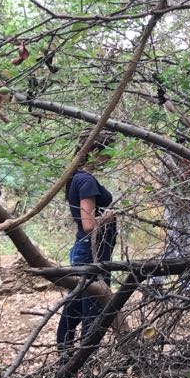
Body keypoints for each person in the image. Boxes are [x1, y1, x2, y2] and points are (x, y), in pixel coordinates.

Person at [60, 131, 118, 353]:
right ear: (95, 152)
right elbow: (89, 224)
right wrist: (107, 217)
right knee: (91, 309)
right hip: (91, 252)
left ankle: (67, 353)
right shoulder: (86, 181)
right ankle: (83, 357)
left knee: (75, 305)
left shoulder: (78, 177)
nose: (111, 158)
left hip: (87, 250)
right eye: (108, 152)